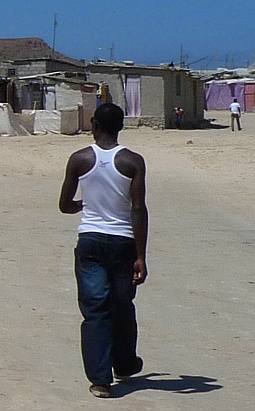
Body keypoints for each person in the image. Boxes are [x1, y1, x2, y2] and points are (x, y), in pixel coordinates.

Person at [57, 102, 149, 398]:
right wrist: (141, 256)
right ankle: (124, 364)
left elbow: (64, 205)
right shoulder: (133, 162)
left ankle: (100, 380)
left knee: (95, 308)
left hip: (90, 241)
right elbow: (138, 209)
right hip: (122, 242)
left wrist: (85, 206)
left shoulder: (79, 159)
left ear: (94, 125)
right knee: (122, 304)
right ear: (121, 126)